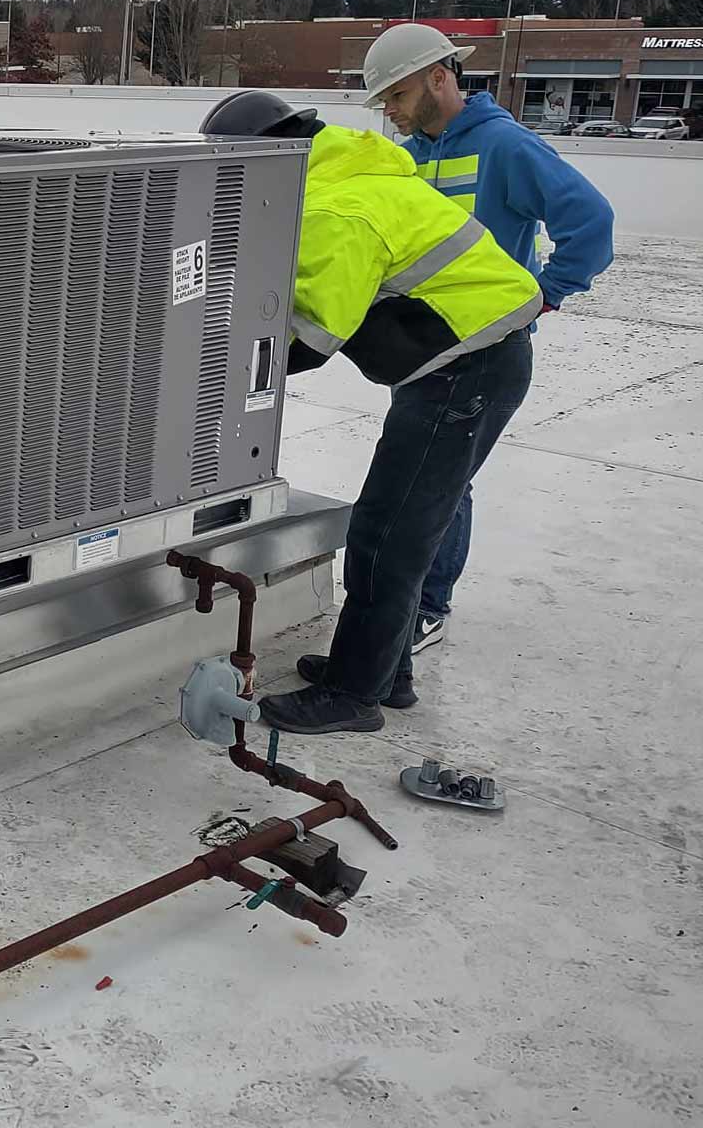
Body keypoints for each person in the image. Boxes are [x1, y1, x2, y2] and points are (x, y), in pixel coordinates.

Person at [200, 91, 542, 734]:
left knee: (390, 534)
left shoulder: (337, 209)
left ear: (268, 157)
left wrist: (212, 370)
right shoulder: (349, 174)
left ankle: (354, 696)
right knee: (402, 526)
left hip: (466, 372)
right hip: (470, 362)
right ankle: (387, 675)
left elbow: (309, 334)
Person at [362, 23, 613, 656]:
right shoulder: (413, 154)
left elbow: (590, 220)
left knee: (444, 484)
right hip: (423, 348)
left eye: (396, 95)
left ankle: (426, 606)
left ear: (439, 78)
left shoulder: (503, 145)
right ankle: (401, 604)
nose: (389, 113)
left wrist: (546, 292)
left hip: (484, 352)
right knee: (421, 481)